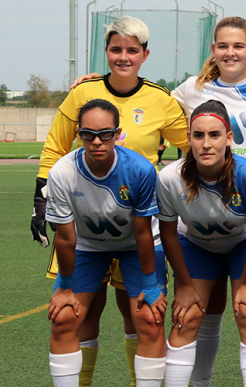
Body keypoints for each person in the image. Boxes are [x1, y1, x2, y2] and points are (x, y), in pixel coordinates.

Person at [34, 16, 190, 387]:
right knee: (78, 313)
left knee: (139, 311)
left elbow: (194, 146)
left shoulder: (161, 99)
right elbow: (56, 147)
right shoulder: (82, 94)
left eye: (132, 50)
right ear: (105, 52)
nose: (123, 57)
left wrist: (181, 193)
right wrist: (41, 198)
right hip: (86, 220)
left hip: (139, 219)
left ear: (145, 55)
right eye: (116, 49)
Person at [46, 99, 168, 387]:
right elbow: (65, 237)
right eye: (88, 134)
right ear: (78, 134)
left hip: (135, 247)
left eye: (106, 134)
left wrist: (150, 284)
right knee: (64, 317)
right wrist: (64, 286)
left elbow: (142, 233)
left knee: (150, 319)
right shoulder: (62, 173)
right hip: (88, 246)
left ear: (118, 133)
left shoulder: (140, 170)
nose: (97, 141)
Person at [155, 99, 246, 387]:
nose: (206, 144)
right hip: (196, 245)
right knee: (187, 315)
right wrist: (183, 285)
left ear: (229, 139)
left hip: (245, 244)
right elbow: (168, 233)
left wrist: (245, 284)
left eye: (214, 135)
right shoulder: (170, 178)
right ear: (188, 140)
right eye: (198, 135)